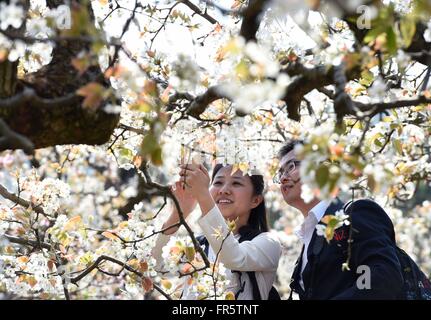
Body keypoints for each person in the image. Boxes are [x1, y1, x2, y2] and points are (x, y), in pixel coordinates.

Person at [275, 140, 404, 299]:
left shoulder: (355, 213)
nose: (283, 178)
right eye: (280, 173)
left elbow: (384, 277)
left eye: (291, 166)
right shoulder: (309, 237)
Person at [152, 163, 281, 300]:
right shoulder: (198, 245)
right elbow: (160, 265)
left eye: (236, 183)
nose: (224, 190)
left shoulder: (268, 243)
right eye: (218, 182)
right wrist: (180, 211)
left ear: (255, 200)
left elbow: (234, 258)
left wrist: (203, 196)